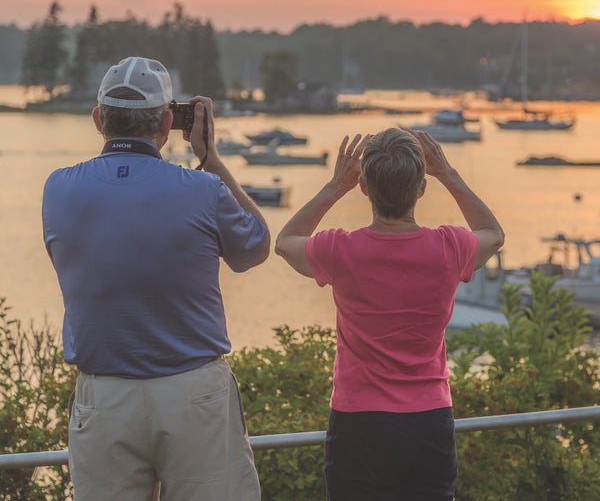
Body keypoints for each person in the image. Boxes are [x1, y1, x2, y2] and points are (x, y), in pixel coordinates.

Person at [42, 56, 270, 501]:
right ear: (168, 121)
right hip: (193, 395)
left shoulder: (59, 188)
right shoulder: (203, 190)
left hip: (103, 396)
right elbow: (255, 247)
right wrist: (211, 159)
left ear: (97, 119)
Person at [275, 127, 504, 501]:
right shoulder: (449, 247)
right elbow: (492, 232)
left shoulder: (339, 250)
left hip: (359, 423)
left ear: (364, 187)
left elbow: (285, 242)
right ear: (421, 189)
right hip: (429, 421)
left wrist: (336, 185)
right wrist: (447, 171)